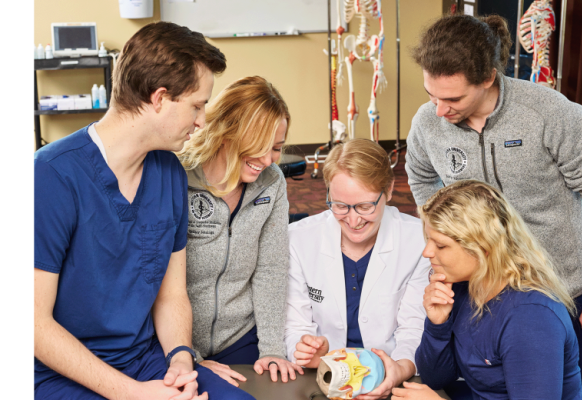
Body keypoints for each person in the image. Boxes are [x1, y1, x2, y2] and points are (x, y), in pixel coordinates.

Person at [33, 22, 255, 399]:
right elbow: (35, 324)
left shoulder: (168, 172)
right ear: (159, 98)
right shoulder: (51, 175)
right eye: (197, 106)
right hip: (63, 372)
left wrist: (182, 360)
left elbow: (171, 296)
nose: (202, 121)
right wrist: (132, 394)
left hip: (144, 359)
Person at [405, 14, 582, 389]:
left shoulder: (549, 113)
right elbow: (419, 176)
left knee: (551, 384)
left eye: (452, 99)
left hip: (558, 283)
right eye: (431, 95)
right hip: (481, 283)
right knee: (474, 381)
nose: (439, 110)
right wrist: (444, 235)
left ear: (487, 79)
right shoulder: (428, 123)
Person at [391, 180, 582, 400]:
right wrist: (437, 326)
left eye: (440, 245)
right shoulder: (464, 289)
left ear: (483, 247)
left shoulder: (530, 318)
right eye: (428, 241)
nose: (427, 252)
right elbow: (435, 378)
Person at [176, 76, 303, 388]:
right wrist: (187, 354)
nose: (268, 160)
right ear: (226, 134)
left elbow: (271, 267)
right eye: (258, 147)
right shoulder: (176, 176)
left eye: (276, 148)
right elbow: (155, 279)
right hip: (176, 341)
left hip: (241, 336)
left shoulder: (272, 182)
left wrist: (272, 348)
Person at [285, 139, 431, 400]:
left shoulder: (418, 242)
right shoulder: (298, 240)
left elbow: (414, 330)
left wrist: (397, 370)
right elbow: (295, 325)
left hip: (392, 377)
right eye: (340, 206)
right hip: (322, 376)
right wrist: (307, 350)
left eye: (365, 206)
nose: (353, 221)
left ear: (388, 190)